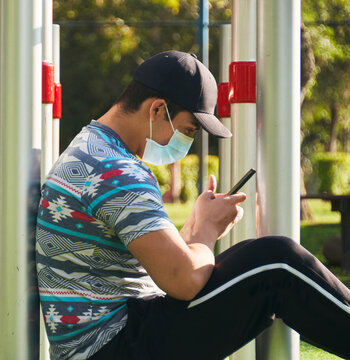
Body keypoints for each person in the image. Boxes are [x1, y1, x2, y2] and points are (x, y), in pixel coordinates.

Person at [35, 50, 350, 360]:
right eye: (188, 131)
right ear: (158, 109)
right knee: (278, 261)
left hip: (111, 338)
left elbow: (159, 262)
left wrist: (197, 227)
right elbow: (182, 281)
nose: (185, 144)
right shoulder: (116, 172)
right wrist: (207, 230)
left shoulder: (91, 150)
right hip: (114, 345)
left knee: (256, 255)